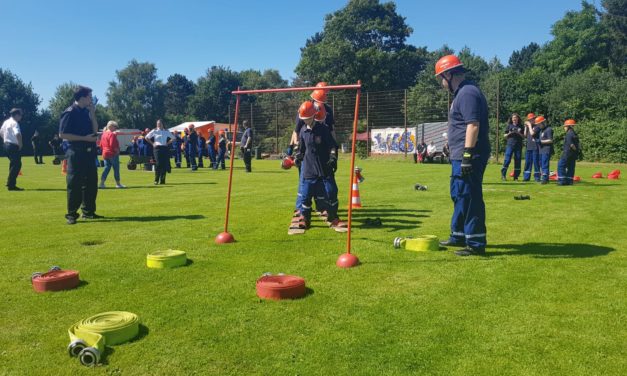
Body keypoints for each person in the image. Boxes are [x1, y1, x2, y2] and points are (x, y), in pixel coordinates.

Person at [434, 55, 490, 256]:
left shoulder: (467, 93)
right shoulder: (461, 93)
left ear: (449, 74)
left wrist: (467, 154)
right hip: (459, 155)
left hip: (469, 156)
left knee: (470, 195)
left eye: (441, 77)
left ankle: (475, 243)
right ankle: (458, 234)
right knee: (458, 194)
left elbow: (473, 125)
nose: (441, 83)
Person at [292, 101, 344, 232]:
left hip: (325, 167)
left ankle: (333, 217)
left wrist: (333, 157)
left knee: (332, 192)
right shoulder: (303, 131)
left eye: (307, 118)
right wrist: (298, 156)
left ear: (313, 116)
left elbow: (332, 145)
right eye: (303, 119)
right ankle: (305, 218)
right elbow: (301, 149)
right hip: (309, 168)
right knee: (306, 195)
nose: (305, 121)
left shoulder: (323, 129)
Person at [59, 85, 101, 224]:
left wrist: (93, 113)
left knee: (91, 183)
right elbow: (62, 134)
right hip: (75, 151)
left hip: (89, 152)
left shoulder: (86, 111)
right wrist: (85, 139)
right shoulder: (70, 112)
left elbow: (95, 130)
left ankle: (88, 212)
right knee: (74, 183)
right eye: (89, 96)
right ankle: (71, 214)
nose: (91, 99)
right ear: (82, 97)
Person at [1, 108, 24, 191]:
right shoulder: (15, 123)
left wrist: (6, 140)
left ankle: (10, 183)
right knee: (17, 165)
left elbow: (1, 132)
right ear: (17, 115)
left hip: (6, 145)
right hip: (13, 146)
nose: (21, 117)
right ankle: (11, 185)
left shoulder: (6, 122)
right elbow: (17, 134)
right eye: (20, 115)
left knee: (13, 164)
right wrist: (20, 144)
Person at [145, 119, 175, 185]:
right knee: (158, 164)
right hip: (157, 148)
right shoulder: (154, 131)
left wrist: (168, 143)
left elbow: (173, 138)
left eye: (159, 123)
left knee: (164, 164)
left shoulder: (166, 131)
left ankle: (162, 180)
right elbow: (146, 137)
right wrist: (152, 143)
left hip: (164, 148)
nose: (158, 124)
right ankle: (156, 180)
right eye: (157, 123)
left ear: (162, 124)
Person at [99, 121, 125, 189]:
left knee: (106, 168)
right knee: (116, 169)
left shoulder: (103, 134)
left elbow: (101, 145)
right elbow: (112, 145)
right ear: (111, 126)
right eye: (115, 126)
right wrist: (117, 151)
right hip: (112, 154)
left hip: (105, 153)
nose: (116, 128)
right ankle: (118, 184)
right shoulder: (112, 134)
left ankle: (101, 183)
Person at [500, 113, 524, 181]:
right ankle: (503, 175)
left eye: (516, 118)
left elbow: (523, 136)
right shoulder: (509, 126)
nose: (514, 119)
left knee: (518, 160)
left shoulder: (521, 126)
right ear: (511, 119)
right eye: (513, 118)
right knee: (507, 160)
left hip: (518, 146)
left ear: (518, 119)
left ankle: (516, 177)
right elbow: (504, 136)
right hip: (510, 145)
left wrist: (518, 133)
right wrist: (510, 133)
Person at [557, 119, 580, 186]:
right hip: (573, 154)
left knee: (561, 165)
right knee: (571, 167)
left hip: (567, 153)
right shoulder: (574, 133)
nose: (564, 128)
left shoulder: (569, 134)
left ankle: (562, 181)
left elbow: (571, 144)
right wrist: (576, 151)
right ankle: (569, 181)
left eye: (565, 126)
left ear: (568, 126)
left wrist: (574, 149)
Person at [523, 113, 541, 182]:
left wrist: (529, 126)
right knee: (527, 163)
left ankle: (537, 178)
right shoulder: (528, 127)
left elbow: (532, 133)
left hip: (535, 147)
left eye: (532, 119)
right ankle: (526, 177)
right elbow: (525, 135)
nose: (531, 121)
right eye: (529, 120)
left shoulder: (537, 126)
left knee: (536, 163)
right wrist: (525, 127)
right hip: (529, 147)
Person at [536, 116, 553, 184]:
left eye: (539, 124)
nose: (538, 126)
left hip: (546, 149)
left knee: (545, 164)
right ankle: (545, 177)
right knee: (541, 164)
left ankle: (545, 179)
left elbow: (550, 140)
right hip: (541, 150)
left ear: (543, 122)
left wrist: (541, 142)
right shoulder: (541, 131)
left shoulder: (549, 129)